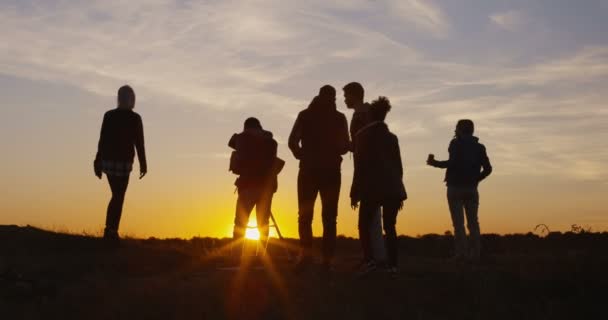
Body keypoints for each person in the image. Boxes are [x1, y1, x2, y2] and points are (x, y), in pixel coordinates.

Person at [288, 85, 350, 272]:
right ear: (333, 98)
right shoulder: (339, 118)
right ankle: (327, 260)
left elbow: (292, 141)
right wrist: (340, 149)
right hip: (330, 171)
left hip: (308, 170)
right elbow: (344, 145)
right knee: (329, 217)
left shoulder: (305, 115)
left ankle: (306, 257)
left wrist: (300, 154)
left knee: (305, 216)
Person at [351, 96, 406, 276]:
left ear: (370, 116)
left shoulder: (361, 136)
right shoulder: (392, 138)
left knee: (364, 225)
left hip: (371, 187)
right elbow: (398, 166)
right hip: (392, 187)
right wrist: (399, 190)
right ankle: (393, 265)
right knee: (390, 227)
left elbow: (359, 166)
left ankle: (370, 261)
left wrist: (354, 191)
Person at [427, 119, 492, 261]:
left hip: (455, 187)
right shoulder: (480, 147)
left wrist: (434, 163)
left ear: (460, 129)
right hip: (472, 188)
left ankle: (461, 254)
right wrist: (476, 179)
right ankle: (475, 254)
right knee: (473, 223)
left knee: (458, 224)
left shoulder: (455, 144)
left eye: (456, 127)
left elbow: (452, 163)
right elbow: (488, 169)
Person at [94, 85, 147, 242]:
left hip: (109, 162)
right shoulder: (134, 118)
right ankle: (111, 230)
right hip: (122, 163)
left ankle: (111, 230)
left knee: (117, 195)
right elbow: (139, 143)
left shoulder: (109, 115)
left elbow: (102, 140)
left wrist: (98, 160)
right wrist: (143, 164)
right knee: (119, 196)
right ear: (132, 99)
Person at [343, 82, 387, 267]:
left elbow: (365, 143)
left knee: (370, 218)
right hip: (369, 167)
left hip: (368, 169)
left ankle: (373, 258)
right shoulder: (362, 113)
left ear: (355, 95)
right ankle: (376, 255)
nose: (344, 99)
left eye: (346, 96)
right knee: (373, 217)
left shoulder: (363, 115)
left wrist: (346, 145)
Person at [229, 117, 278, 254]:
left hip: (247, 185)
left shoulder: (242, 139)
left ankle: (237, 256)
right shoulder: (271, 142)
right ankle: (262, 256)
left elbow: (232, 143)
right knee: (263, 223)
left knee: (240, 223)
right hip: (267, 187)